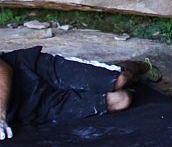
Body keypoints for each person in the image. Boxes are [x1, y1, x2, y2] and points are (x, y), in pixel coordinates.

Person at [0, 46, 154, 139]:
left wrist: (1, 113)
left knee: (120, 80)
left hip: (33, 70)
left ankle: (134, 67)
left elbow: (3, 70)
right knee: (121, 100)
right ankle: (109, 80)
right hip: (34, 108)